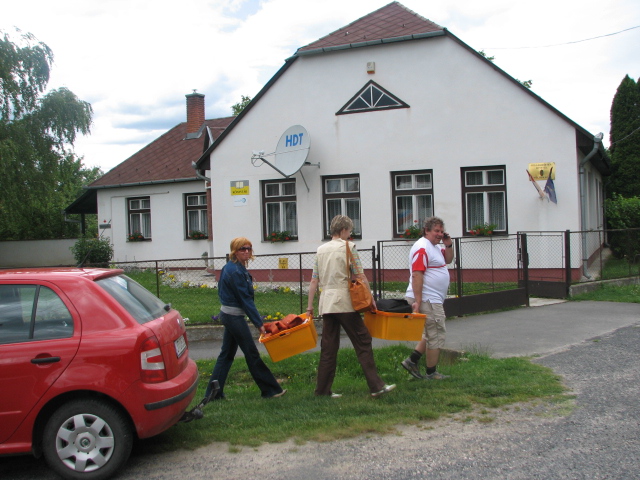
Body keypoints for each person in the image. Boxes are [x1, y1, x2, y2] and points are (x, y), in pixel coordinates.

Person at [307, 215, 395, 398]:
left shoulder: (320, 250)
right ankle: (376, 386)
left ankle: (322, 391)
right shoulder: (348, 247)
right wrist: (371, 298)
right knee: (363, 340)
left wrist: (310, 307)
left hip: (327, 303)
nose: (350, 235)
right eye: (349, 231)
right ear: (343, 230)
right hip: (345, 302)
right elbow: (360, 275)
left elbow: (314, 280)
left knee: (328, 348)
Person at [204, 237, 286, 400]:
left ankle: (213, 394)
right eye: (242, 249)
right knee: (251, 353)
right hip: (233, 317)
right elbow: (245, 299)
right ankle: (270, 390)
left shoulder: (233, 268)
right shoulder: (235, 271)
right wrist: (258, 324)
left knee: (226, 355)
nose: (246, 252)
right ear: (235, 251)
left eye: (249, 248)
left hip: (229, 315)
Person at [401, 216, 454, 380]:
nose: (439, 234)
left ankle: (412, 361)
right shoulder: (423, 247)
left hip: (431, 298)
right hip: (427, 299)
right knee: (436, 333)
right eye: (436, 231)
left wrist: (448, 245)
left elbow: (448, 259)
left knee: (430, 333)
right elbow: (417, 274)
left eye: (441, 231)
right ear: (427, 231)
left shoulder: (434, 247)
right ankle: (431, 373)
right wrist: (418, 301)